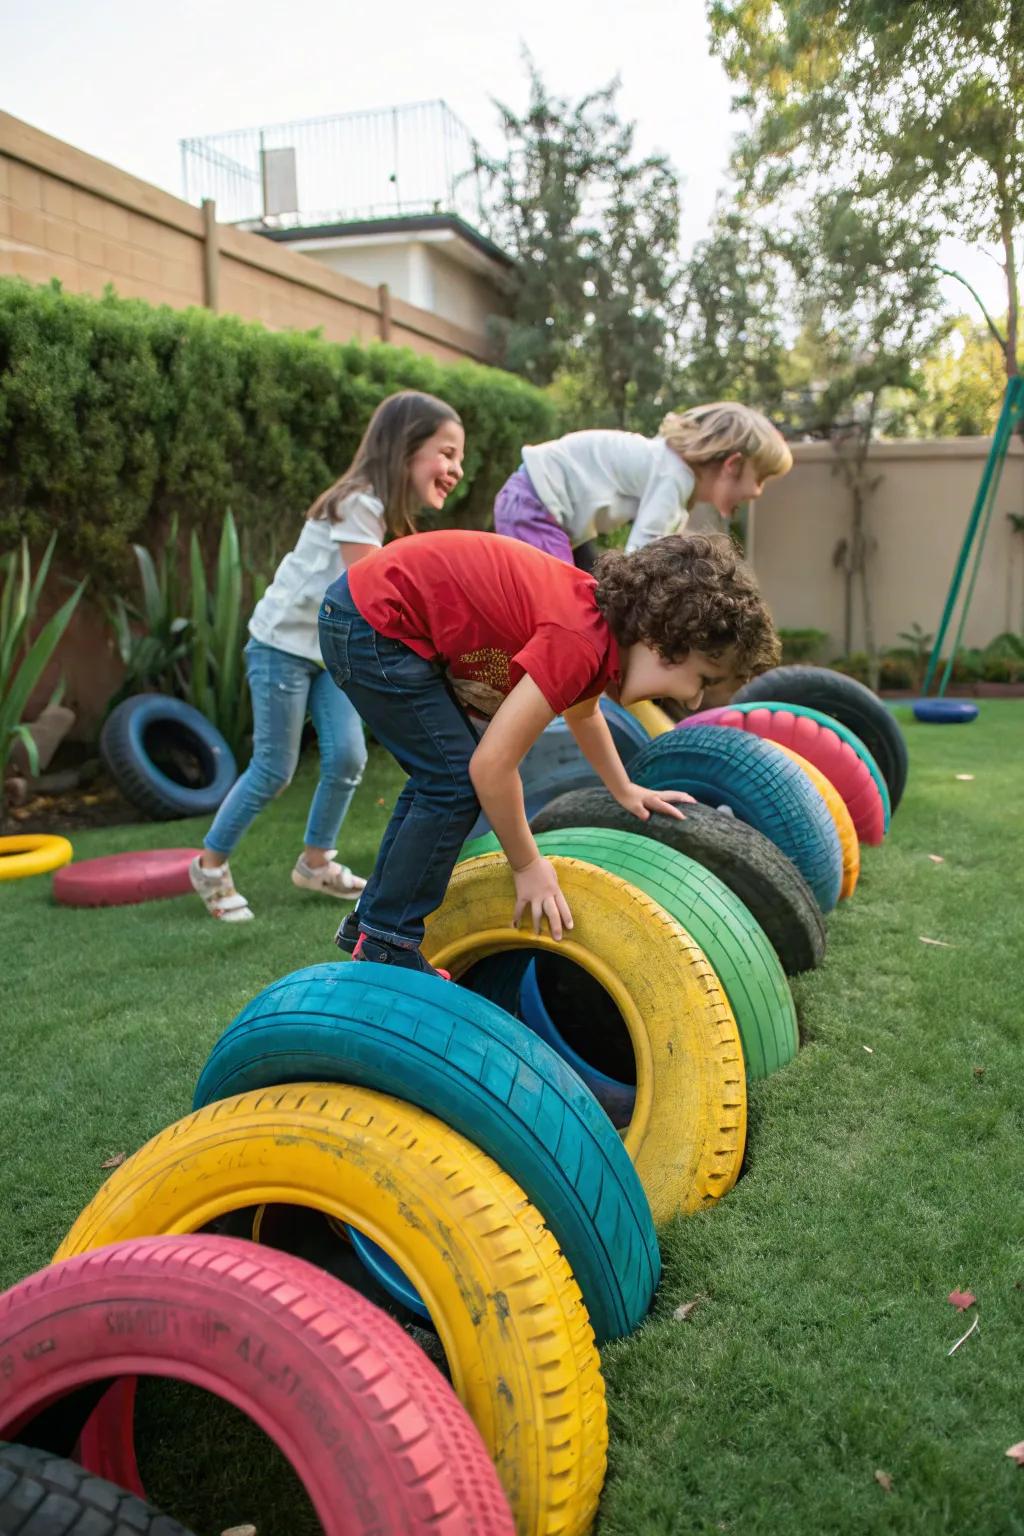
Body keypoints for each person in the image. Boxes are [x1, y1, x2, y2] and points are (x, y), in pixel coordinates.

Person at [318, 529, 780, 974]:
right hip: (374, 621)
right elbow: (492, 767)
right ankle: (387, 940)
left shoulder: (596, 634)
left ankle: (374, 925)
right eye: (702, 681)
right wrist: (527, 865)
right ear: (665, 643)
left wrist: (624, 788)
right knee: (454, 783)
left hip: (366, 612)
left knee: (441, 779)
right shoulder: (577, 640)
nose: (694, 702)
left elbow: (584, 714)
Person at [189, 390, 465, 922]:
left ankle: (315, 862)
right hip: (281, 647)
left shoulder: (377, 511)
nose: (455, 469)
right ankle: (209, 866)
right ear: (406, 446)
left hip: (325, 654)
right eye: (447, 453)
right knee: (274, 768)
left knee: (347, 758)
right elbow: (372, 589)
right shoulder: (357, 501)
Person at [492, 402, 792, 569]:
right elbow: (640, 560)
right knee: (560, 606)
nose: (757, 492)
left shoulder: (671, 474)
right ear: (732, 465)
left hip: (538, 503)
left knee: (576, 598)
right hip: (534, 504)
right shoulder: (673, 476)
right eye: (760, 479)